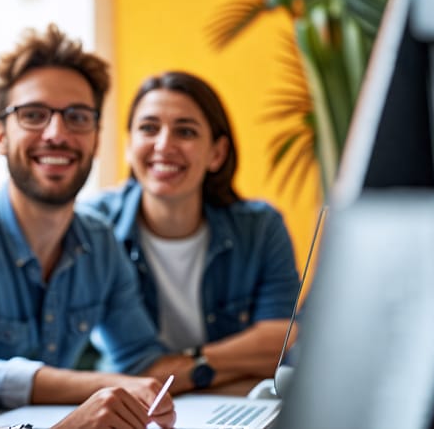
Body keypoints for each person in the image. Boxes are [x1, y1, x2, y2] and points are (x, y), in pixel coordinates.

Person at [0, 23, 176, 429]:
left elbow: (142, 360)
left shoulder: (99, 240)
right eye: (34, 115)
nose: (57, 134)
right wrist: (114, 386)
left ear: (96, 136)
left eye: (77, 117)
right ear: (1, 134)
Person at [82, 71, 300, 394]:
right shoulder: (94, 228)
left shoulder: (261, 227)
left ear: (217, 153)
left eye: (185, 131)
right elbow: (136, 371)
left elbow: (281, 341)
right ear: (129, 146)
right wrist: (227, 364)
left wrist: (191, 366)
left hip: (232, 404)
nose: (164, 145)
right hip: (135, 411)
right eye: (148, 128)